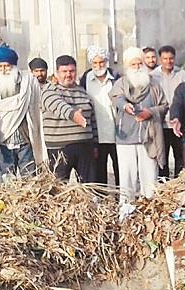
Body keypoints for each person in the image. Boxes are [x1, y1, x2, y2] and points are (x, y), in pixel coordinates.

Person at [109, 47, 168, 202]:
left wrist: (151, 112)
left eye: (139, 64)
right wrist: (124, 106)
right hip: (126, 139)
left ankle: (149, 211)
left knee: (149, 179)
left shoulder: (154, 84)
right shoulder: (121, 83)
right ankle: (126, 211)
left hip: (148, 138)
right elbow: (116, 97)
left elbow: (164, 105)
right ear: (127, 66)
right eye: (133, 64)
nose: (137, 67)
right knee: (127, 179)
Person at [0, 47, 45, 183]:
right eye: (0, 67)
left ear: (14, 66)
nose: (4, 70)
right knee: (6, 182)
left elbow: (37, 106)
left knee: (30, 182)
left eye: (7, 66)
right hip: (3, 140)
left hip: (25, 139)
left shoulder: (28, 81)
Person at [41, 55, 97, 182]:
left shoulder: (82, 91)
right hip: (60, 148)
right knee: (58, 189)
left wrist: (95, 145)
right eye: (64, 71)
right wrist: (74, 115)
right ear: (57, 73)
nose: (68, 75)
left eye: (71, 71)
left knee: (89, 187)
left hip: (84, 146)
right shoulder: (49, 90)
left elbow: (92, 120)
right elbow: (58, 105)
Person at [81, 46, 119, 185]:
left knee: (119, 169)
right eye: (95, 63)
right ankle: (103, 202)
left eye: (101, 62)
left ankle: (121, 199)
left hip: (116, 133)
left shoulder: (115, 77)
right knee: (99, 171)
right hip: (96, 134)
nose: (99, 66)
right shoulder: (86, 79)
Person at [151, 45, 185, 178]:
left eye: (171, 58)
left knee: (180, 158)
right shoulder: (153, 76)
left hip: (178, 125)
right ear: (160, 59)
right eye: (165, 58)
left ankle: (180, 186)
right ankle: (164, 188)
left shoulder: (182, 74)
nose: (168, 61)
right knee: (162, 159)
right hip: (160, 125)